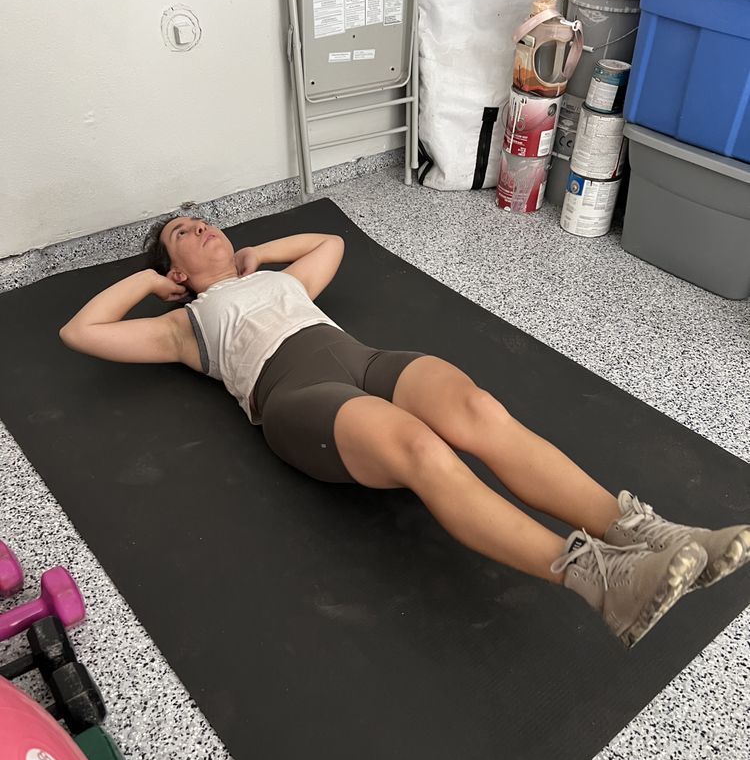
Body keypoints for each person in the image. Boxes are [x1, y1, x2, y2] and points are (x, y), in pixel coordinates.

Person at [59, 214, 749, 649]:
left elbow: (330, 241)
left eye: (206, 220)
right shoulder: (182, 327)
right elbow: (79, 331)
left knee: (478, 410)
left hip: (361, 359)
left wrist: (256, 253)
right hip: (298, 394)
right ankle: (601, 582)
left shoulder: (280, 281)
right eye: (184, 233)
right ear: (175, 268)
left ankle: (651, 535)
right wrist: (153, 285)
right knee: (425, 449)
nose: (203, 227)